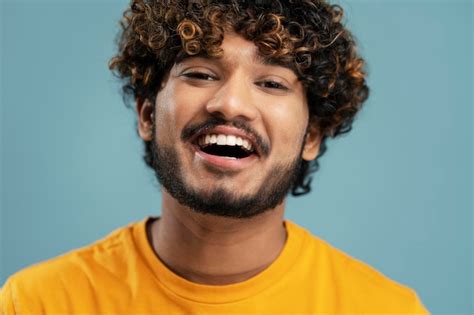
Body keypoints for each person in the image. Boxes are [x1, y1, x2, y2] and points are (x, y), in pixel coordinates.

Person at [1, 0, 429, 313]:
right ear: (148, 115)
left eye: (273, 83)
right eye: (201, 74)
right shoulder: (36, 303)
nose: (231, 104)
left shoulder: (386, 308)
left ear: (311, 134)